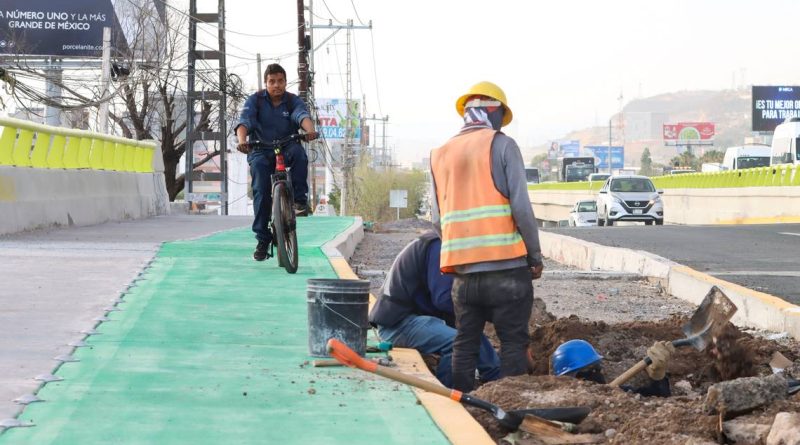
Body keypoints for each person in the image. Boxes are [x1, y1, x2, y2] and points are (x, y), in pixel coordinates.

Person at [430, 81, 544, 392]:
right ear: (494, 112)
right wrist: (534, 256)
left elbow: (437, 219)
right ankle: (509, 407)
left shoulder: (439, 154)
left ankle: (465, 408)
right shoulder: (503, 145)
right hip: (507, 271)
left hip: (464, 279)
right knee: (512, 343)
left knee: (464, 344)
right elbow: (521, 208)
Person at [369, 231, 501, 388]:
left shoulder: (439, 242)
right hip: (399, 325)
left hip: (411, 320)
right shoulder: (439, 247)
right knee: (457, 343)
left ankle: (496, 377)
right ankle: (451, 394)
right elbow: (444, 300)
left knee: (468, 333)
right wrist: (490, 314)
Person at [233, 63, 319, 261]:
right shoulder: (255, 100)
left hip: (286, 145)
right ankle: (263, 239)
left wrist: (309, 130)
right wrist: (242, 141)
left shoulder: (292, 101)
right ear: (266, 83)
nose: (276, 85)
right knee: (261, 189)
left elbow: (302, 116)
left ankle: (299, 200)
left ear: (285, 82)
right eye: (272, 82)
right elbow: (244, 121)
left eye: (280, 81)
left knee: (300, 155)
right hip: (260, 149)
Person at [550, 339, 674, 397]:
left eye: (596, 367)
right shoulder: (568, 409)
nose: (595, 373)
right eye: (586, 371)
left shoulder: (618, 393)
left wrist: (658, 377)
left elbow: (657, 399)